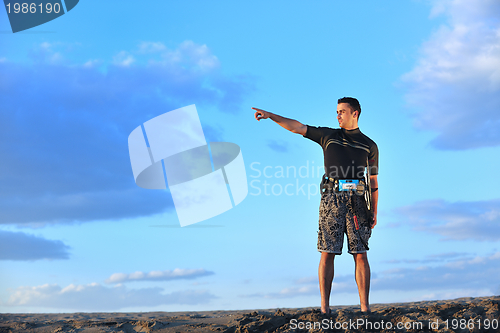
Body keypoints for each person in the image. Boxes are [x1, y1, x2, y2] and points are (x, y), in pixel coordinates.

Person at [253, 97, 378, 313]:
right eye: (337, 111)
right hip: (332, 198)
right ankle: (324, 308)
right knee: (327, 251)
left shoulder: (370, 145)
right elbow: (297, 127)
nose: (337, 115)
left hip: (358, 201)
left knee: (361, 253)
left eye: (342, 111)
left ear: (355, 113)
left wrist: (373, 211)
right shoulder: (328, 136)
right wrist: (271, 115)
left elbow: (374, 181)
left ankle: (365, 309)